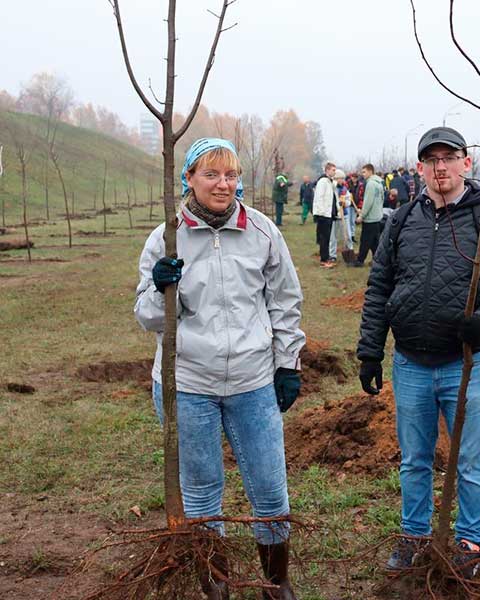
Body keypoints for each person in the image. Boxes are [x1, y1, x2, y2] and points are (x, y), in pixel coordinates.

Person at [135, 138, 303, 599]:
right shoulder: (166, 238)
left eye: (230, 175)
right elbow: (148, 318)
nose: (223, 184)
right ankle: (217, 586)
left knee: (270, 488)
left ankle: (276, 582)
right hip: (189, 382)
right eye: (211, 174)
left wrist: (287, 363)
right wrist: (158, 288)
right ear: (188, 178)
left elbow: (285, 302)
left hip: (252, 381)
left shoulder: (262, 231)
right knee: (203, 492)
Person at [357, 126, 480, 578]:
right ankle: (414, 535)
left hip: (464, 364)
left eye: (449, 158)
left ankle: (470, 541)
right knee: (414, 458)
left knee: (470, 457)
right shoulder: (401, 220)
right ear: (420, 169)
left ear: (466, 163)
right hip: (410, 362)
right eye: (432, 160)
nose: (441, 167)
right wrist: (370, 352)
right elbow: (379, 288)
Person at [353, 163, 383, 267]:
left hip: (370, 218)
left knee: (365, 241)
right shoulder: (379, 183)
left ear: (370, 171)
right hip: (377, 217)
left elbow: (368, 202)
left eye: (364, 172)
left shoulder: (370, 184)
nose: (363, 174)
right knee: (375, 242)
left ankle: (360, 261)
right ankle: (378, 260)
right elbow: (381, 200)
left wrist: (362, 215)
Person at [313, 162, 339, 268]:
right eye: (333, 170)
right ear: (327, 170)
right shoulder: (323, 182)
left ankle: (326, 257)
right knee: (324, 238)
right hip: (324, 214)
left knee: (327, 238)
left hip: (329, 214)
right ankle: (324, 260)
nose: (334, 172)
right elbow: (319, 198)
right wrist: (321, 213)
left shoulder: (330, 182)